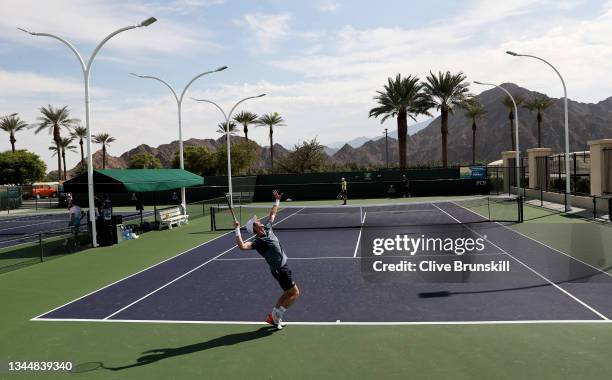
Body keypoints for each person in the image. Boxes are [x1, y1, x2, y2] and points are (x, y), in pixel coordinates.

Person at [234, 190, 299, 330]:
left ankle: (273, 317)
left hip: (281, 268)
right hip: (280, 269)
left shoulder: (268, 228)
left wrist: (277, 200)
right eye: (256, 222)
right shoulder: (258, 242)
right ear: (255, 229)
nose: (258, 220)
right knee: (295, 293)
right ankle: (277, 316)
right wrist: (237, 230)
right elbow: (242, 246)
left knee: (287, 293)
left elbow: (273, 214)